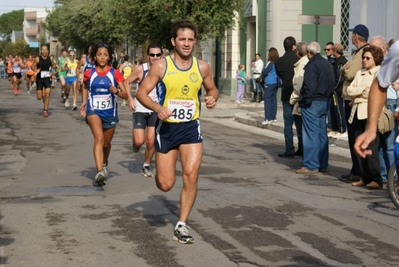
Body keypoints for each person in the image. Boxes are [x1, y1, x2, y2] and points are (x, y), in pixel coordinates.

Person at [136, 19, 219, 244]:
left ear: (195, 42)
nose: (186, 43)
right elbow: (141, 93)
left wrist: (212, 98)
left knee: (191, 175)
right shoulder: (161, 66)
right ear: (174, 41)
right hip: (167, 129)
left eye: (190, 39)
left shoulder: (202, 67)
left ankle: (181, 224)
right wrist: (157, 108)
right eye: (182, 39)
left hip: (191, 128)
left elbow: (212, 89)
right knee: (165, 184)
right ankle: (157, 170)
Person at [80, 42, 128, 186]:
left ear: (109, 57)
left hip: (110, 111)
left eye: (105, 55)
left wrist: (117, 92)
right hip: (93, 109)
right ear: (95, 56)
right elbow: (84, 86)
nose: (102, 57)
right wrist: (84, 101)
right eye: (99, 55)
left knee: (106, 144)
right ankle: (100, 171)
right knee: (99, 139)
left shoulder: (115, 73)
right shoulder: (89, 72)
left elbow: (125, 94)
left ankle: (104, 162)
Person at [123, 43, 163, 178]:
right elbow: (126, 82)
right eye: (152, 55)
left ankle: (146, 165)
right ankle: (135, 144)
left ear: (161, 56)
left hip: (155, 109)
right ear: (148, 56)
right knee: (140, 141)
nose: (155, 57)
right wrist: (130, 98)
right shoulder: (141, 69)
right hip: (140, 108)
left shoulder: (165, 69)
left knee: (151, 140)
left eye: (158, 55)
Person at [296, 42, 335, 174]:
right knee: (321, 134)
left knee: (310, 134)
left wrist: (306, 101)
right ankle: (322, 163)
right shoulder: (327, 63)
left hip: (313, 102)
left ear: (308, 52)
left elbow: (309, 86)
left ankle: (311, 165)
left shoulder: (311, 65)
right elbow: (332, 83)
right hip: (325, 101)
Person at [347, 46, 384, 189]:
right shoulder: (359, 73)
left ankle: (376, 179)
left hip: (369, 113)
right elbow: (350, 90)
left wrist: (360, 93)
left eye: (368, 58)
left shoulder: (379, 72)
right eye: (363, 57)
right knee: (359, 147)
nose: (364, 60)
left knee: (371, 148)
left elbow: (373, 93)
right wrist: (362, 91)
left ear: (376, 59)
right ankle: (364, 177)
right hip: (356, 112)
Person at [340, 24, 370, 182]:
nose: (351, 37)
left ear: (356, 36)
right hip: (349, 97)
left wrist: (345, 70)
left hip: (354, 100)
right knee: (352, 136)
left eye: (353, 35)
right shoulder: (358, 52)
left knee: (355, 135)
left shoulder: (363, 52)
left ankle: (359, 171)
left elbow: (350, 72)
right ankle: (355, 169)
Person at [370, 36, 398, 184]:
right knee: (379, 145)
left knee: (389, 145)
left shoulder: (394, 60)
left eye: (374, 48)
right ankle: (383, 177)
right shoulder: (373, 63)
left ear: (383, 48)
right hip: (379, 105)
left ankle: (394, 177)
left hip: (391, 105)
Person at [275, 36, 299, 158]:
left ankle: (289, 149)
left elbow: (280, 75)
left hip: (286, 93)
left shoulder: (279, 62)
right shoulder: (298, 59)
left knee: (288, 123)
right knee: (300, 122)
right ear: (294, 46)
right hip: (298, 93)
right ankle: (302, 148)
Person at [289, 41, 309, 158]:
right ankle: (302, 150)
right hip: (303, 100)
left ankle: (304, 152)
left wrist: (292, 99)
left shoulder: (302, 64)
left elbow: (298, 86)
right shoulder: (305, 62)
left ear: (297, 52)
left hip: (300, 101)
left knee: (301, 129)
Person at [328, 43, 347, 138]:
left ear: (335, 51)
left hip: (338, 90)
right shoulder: (334, 61)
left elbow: (339, 77)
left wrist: (334, 87)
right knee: (332, 109)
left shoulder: (341, 62)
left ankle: (342, 129)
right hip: (333, 90)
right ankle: (334, 128)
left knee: (338, 109)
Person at [261, 47, 280, 124]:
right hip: (276, 82)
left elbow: (264, 72)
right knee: (273, 99)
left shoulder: (270, 63)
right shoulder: (277, 62)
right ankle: (273, 117)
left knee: (267, 100)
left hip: (269, 83)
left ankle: (268, 118)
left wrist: (266, 72)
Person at [33, 45, 52, 117]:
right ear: (41, 51)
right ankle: (44, 99)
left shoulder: (50, 59)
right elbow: (32, 66)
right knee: (39, 97)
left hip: (47, 78)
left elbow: (53, 66)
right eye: (43, 50)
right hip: (39, 79)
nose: (44, 51)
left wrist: (53, 71)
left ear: (48, 51)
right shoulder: (38, 59)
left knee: (47, 94)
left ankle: (45, 110)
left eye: (45, 50)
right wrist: (35, 70)